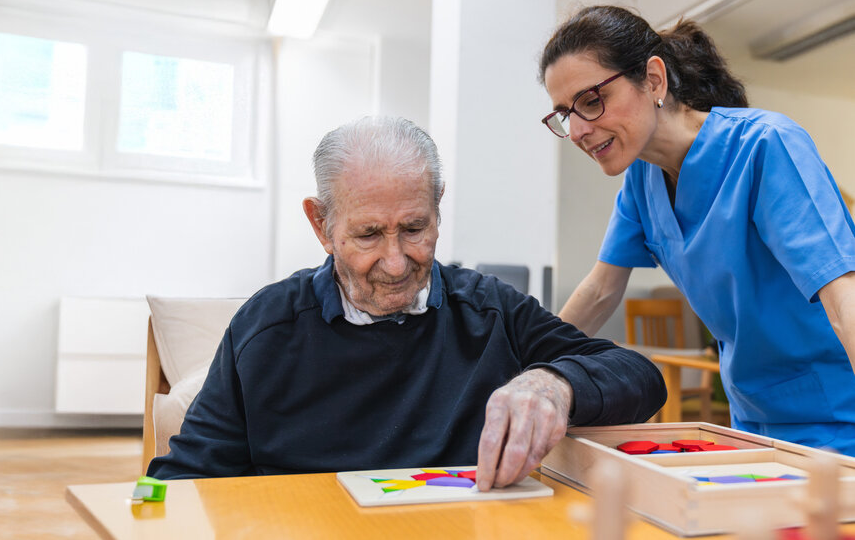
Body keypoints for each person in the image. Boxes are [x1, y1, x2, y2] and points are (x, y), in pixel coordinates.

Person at [147, 116, 665, 489]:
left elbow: (640, 377)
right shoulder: (266, 326)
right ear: (320, 225)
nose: (396, 263)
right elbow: (184, 479)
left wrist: (556, 381)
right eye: (369, 234)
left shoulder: (489, 311)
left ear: (437, 211)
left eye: (415, 229)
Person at [540, 5, 855, 454]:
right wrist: (528, 374)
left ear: (653, 80)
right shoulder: (642, 180)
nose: (577, 131)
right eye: (565, 114)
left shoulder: (766, 146)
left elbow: (843, 293)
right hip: (751, 424)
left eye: (591, 102)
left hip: (839, 420)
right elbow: (600, 292)